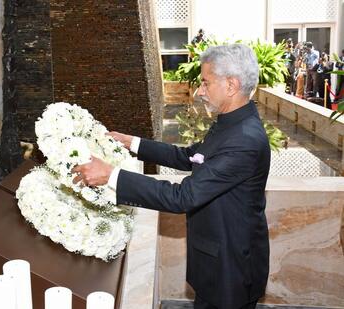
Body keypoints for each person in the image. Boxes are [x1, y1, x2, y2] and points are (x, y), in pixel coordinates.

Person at [72, 44, 270, 309]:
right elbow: (188, 157)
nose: (200, 91)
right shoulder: (231, 124)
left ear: (231, 85)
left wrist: (112, 176)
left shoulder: (244, 139)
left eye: (205, 82)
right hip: (216, 259)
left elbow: (183, 196)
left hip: (231, 267)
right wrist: (133, 143)